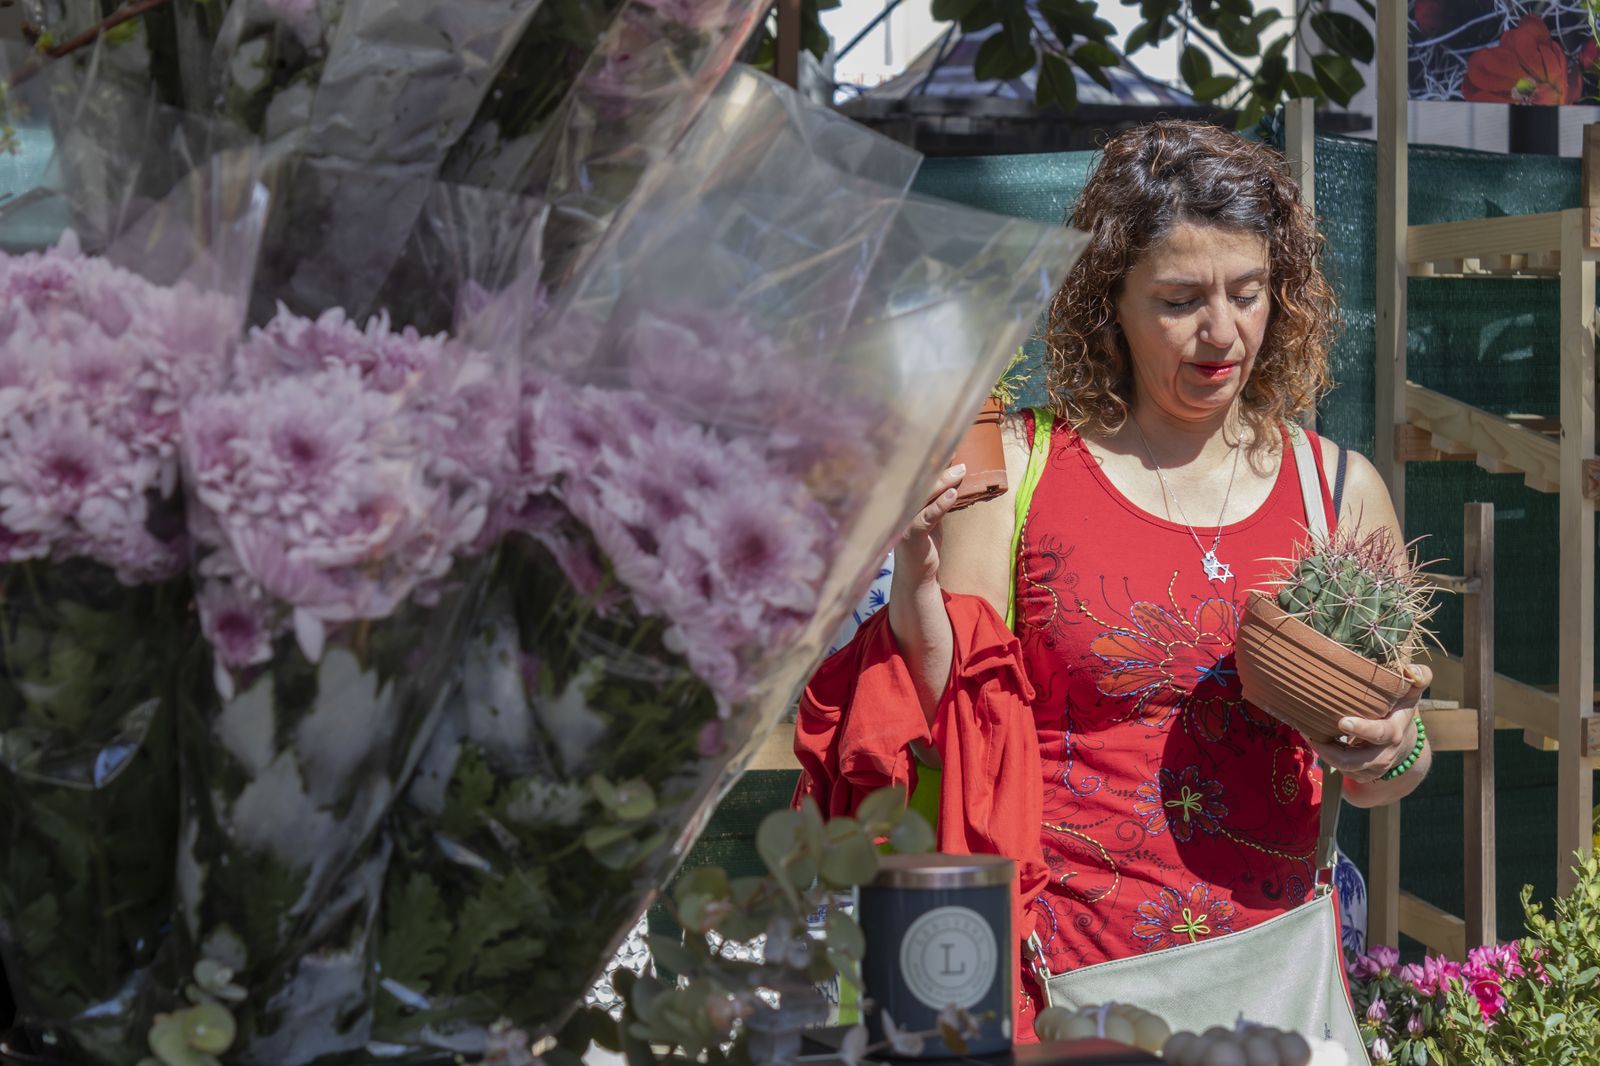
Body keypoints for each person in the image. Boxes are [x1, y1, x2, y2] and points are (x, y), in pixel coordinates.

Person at [793, 121, 1433, 1042]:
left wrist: (1389, 748)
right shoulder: (1021, 472)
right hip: (1067, 991)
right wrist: (916, 576)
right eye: (1180, 301)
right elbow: (951, 716)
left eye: (1248, 293)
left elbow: (1393, 760)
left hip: (1273, 983)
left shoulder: (1336, 488)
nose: (1223, 333)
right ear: (1111, 304)